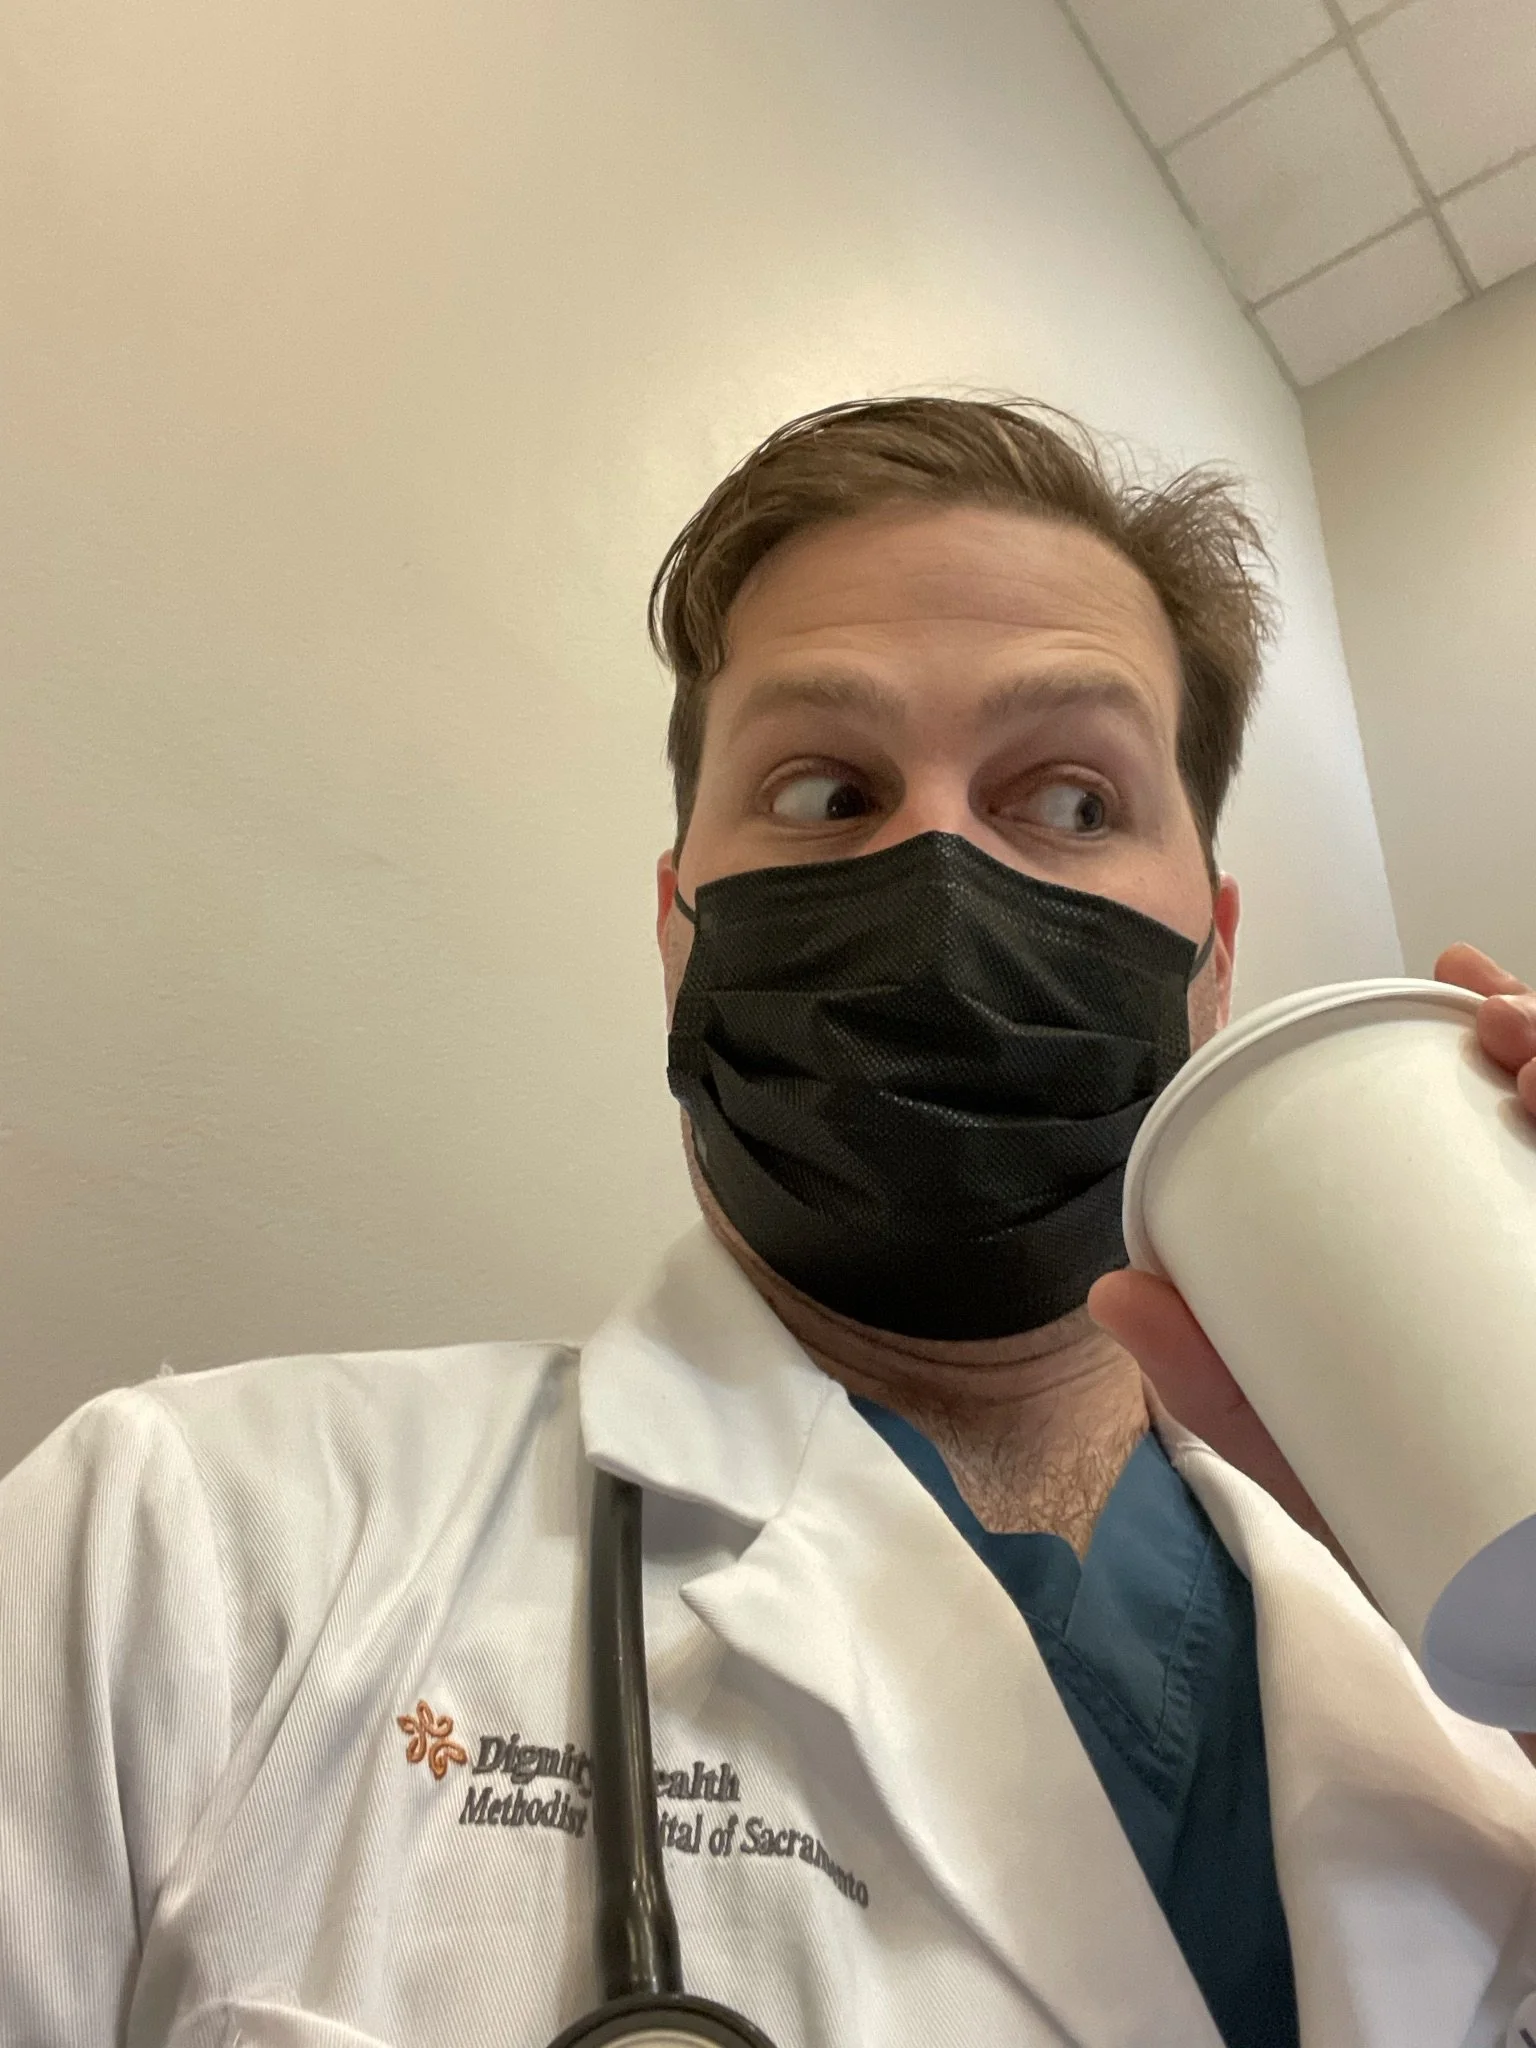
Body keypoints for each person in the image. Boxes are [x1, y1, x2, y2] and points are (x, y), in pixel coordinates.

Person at [4, 397, 1536, 2048]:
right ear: (678, 932)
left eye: (1074, 801)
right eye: (826, 791)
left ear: (1213, 953)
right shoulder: (192, 1556)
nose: (938, 863)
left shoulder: (1480, 1654)